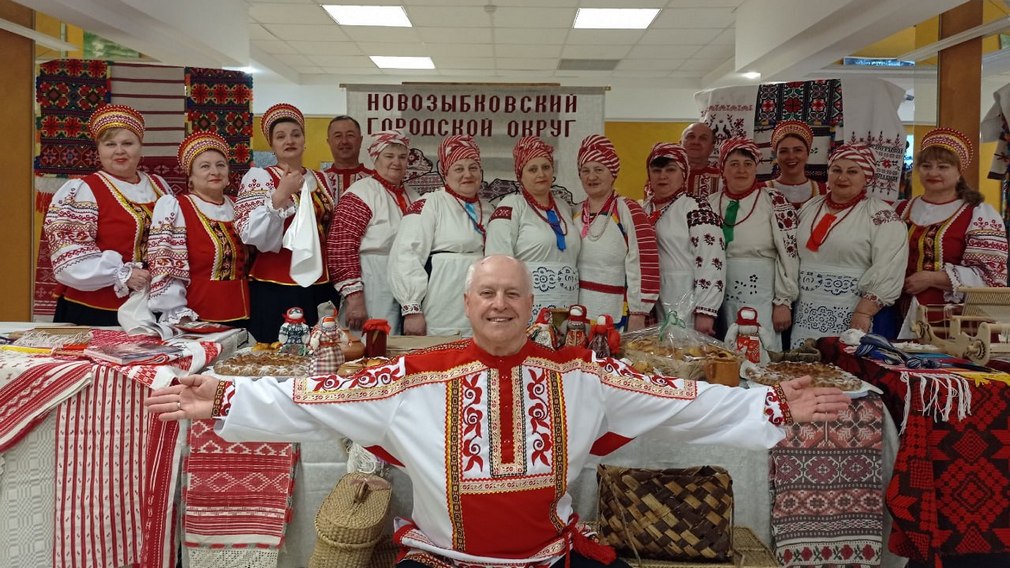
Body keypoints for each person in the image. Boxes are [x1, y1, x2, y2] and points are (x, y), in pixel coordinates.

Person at [146, 255, 850, 568]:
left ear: (532, 306)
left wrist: (769, 403)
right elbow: (317, 400)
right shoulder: (414, 378)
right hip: (445, 562)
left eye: (512, 294)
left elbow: (682, 402)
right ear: (467, 304)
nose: (500, 304)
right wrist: (226, 395)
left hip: (550, 559)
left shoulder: (582, 375)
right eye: (487, 294)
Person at [44, 104, 172, 326]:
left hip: (152, 305)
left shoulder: (159, 185)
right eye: (110, 144)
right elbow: (68, 257)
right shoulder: (82, 190)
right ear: (99, 150)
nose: (119, 151)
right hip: (96, 310)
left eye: (127, 143)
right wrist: (122, 274)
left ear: (140, 147)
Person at [235, 103, 337, 343]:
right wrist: (280, 195)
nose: (289, 140)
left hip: (320, 281)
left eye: (295, 134)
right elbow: (248, 232)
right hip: (277, 282)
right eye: (280, 136)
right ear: (272, 145)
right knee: (279, 349)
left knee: (321, 346)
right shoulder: (261, 177)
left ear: (304, 140)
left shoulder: (321, 178)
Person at [791, 143, 907, 347]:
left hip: (853, 311)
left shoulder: (881, 215)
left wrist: (864, 311)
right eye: (836, 170)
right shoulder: (810, 208)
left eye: (852, 172)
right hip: (805, 311)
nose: (842, 177)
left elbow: (890, 265)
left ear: (866, 177)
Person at [895, 127, 1008, 337]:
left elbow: (990, 277)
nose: (933, 173)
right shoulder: (900, 209)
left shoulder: (979, 214)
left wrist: (931, 278)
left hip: (954, 324)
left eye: (943, 167)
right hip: (896, 313)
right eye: (926, 166)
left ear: (959, 172)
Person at [388, 134, 491, 336]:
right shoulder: (429, 203)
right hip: (442, 305)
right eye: (459, 169)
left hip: (480, 306)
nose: (467, 174)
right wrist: (412, 309)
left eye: (473, 168)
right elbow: (407, 254)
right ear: (445, 173)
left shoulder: (488, 209)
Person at [147, 131, 249, 326]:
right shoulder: (177, 208)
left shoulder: (239, 206)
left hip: (246, 313)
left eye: (221, 165)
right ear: (191, 177)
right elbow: (165, 266)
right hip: (197, 315)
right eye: (205, 166)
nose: (215, 171)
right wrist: (178, 314)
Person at [708, 137, 799, 351]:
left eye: (748, 164)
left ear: (756, 168)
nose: (741, 170)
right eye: (734, 164)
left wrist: (783, 301)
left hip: (763, 294)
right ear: (723, 169)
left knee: (760, 348)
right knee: (723, 349)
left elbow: (788, 253)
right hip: (718, 294)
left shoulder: (774, 201)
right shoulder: (709, 204)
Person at [328, 130, 420, 333]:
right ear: (375, 159)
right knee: (371, 340)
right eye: (389, 156)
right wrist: (354, 298)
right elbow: (340, 248)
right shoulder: (361, 193)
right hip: (372, 282)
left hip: (407, 282)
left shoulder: (414, 197)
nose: (396, 162)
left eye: (402, 157)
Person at [486, 136, 581, 318]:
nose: (541, 174)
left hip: (567, 304)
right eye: (532, 169)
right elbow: (497, 260)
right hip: (528, 305)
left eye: (546, 167)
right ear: (520, 175)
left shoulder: (564, 207)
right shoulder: (511, 205)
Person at [572, 134, 659, 332]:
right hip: (578, 315)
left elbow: (644, 262)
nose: (591, 177)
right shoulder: (575, 212)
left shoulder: (628, 210)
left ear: (612, 173)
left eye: (599, 169)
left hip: (617, 315)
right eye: (585, 170)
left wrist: (638, 312)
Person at [640, 142, 724, 336]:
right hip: (649, 297)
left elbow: (712, 259)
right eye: (656, 170)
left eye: (670, 170)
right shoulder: (643, 210)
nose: (662, 176)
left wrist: (706, 310)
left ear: (684, 173)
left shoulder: (696, 207)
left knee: (682, 350)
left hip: (684, 295)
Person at [765, 120, 826, 209]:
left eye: (798, 150)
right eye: (783, 151)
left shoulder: (825, 191)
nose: (791, 156)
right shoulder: (761, 190)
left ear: (807, 153)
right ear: (776, 155)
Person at [324, 115, 372, 197]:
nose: (344, 141)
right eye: (338, 136)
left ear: (360, 140)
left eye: (350, 135)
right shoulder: (320, 182)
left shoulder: (374, 181)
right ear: (329, 142)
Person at [680, 122, 721, 199]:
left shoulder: (722, 178)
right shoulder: (665, 174)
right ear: (680, 143)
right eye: (691, 136)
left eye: (703, 138)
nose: (696, 142)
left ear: (712, 148)